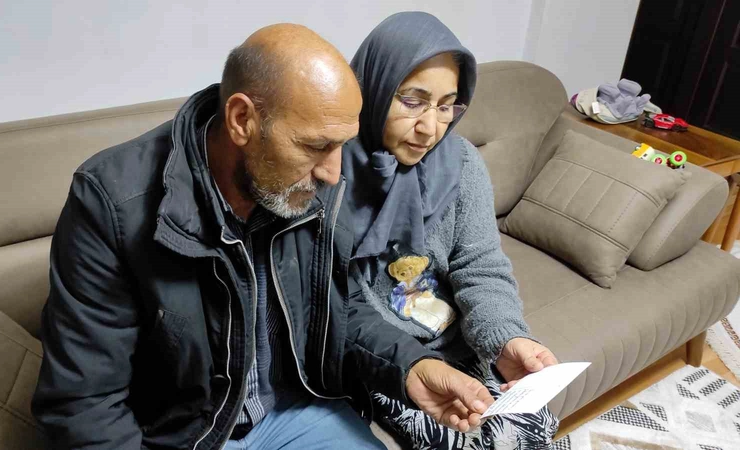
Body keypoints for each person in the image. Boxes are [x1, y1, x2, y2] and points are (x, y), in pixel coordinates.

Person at [32, 23, 497, 450]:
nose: (334, 173)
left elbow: (340, 304)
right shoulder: (111, 203)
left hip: (296, 409)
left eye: (342, 145)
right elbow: (85, 406)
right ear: (242, 120)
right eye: (316, 146)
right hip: (188, 436)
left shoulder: (309, 183)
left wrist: (412, 367)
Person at [343, 12, 561, 449]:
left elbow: (480, 266)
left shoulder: (460, 162)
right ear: (374, 88)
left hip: (459, 337)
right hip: (388, 357)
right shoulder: (330, 174)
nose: (431, 128)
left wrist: (506, 337)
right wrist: (414, 365)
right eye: (412, 101)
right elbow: (338, 308)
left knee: (532, 426)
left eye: (446, 106)